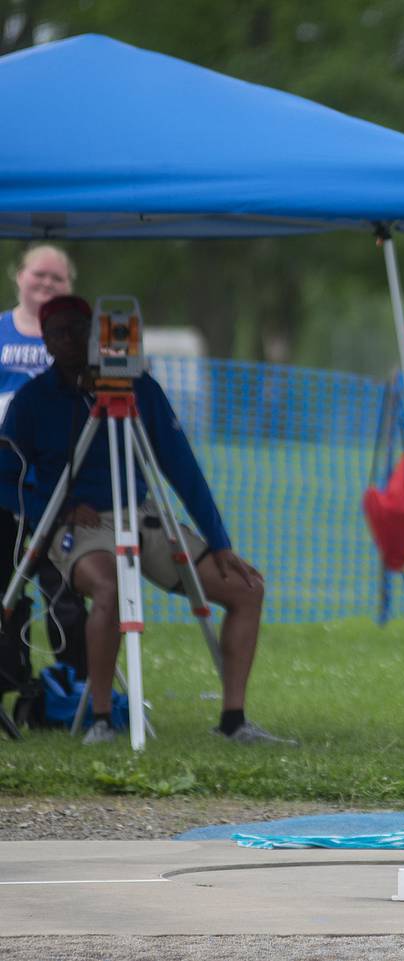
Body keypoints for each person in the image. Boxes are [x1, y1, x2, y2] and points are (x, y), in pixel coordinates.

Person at [0, 294, 290, 746]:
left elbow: (182, 468)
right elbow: (7, 481)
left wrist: (219, 541)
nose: (71, 339)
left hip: (143, 518)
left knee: (247, 589)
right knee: (110, 588)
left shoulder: (140, 388)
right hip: (79, 527)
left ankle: (235, 720)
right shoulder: (31, 401)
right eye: (59, 331)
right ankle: (101, 719)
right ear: (46, 341)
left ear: (98, 333)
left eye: (80, 328)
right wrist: (53, 512)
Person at [0, 246, 89, 678]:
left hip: (57, 486)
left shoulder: (75, 344)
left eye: (57, 278)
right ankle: (12, 676)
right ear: (18, 276)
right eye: (39, 275)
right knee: (7, 582)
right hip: (6, 483)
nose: (47, 284)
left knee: (63, 587)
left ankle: (75, 682)